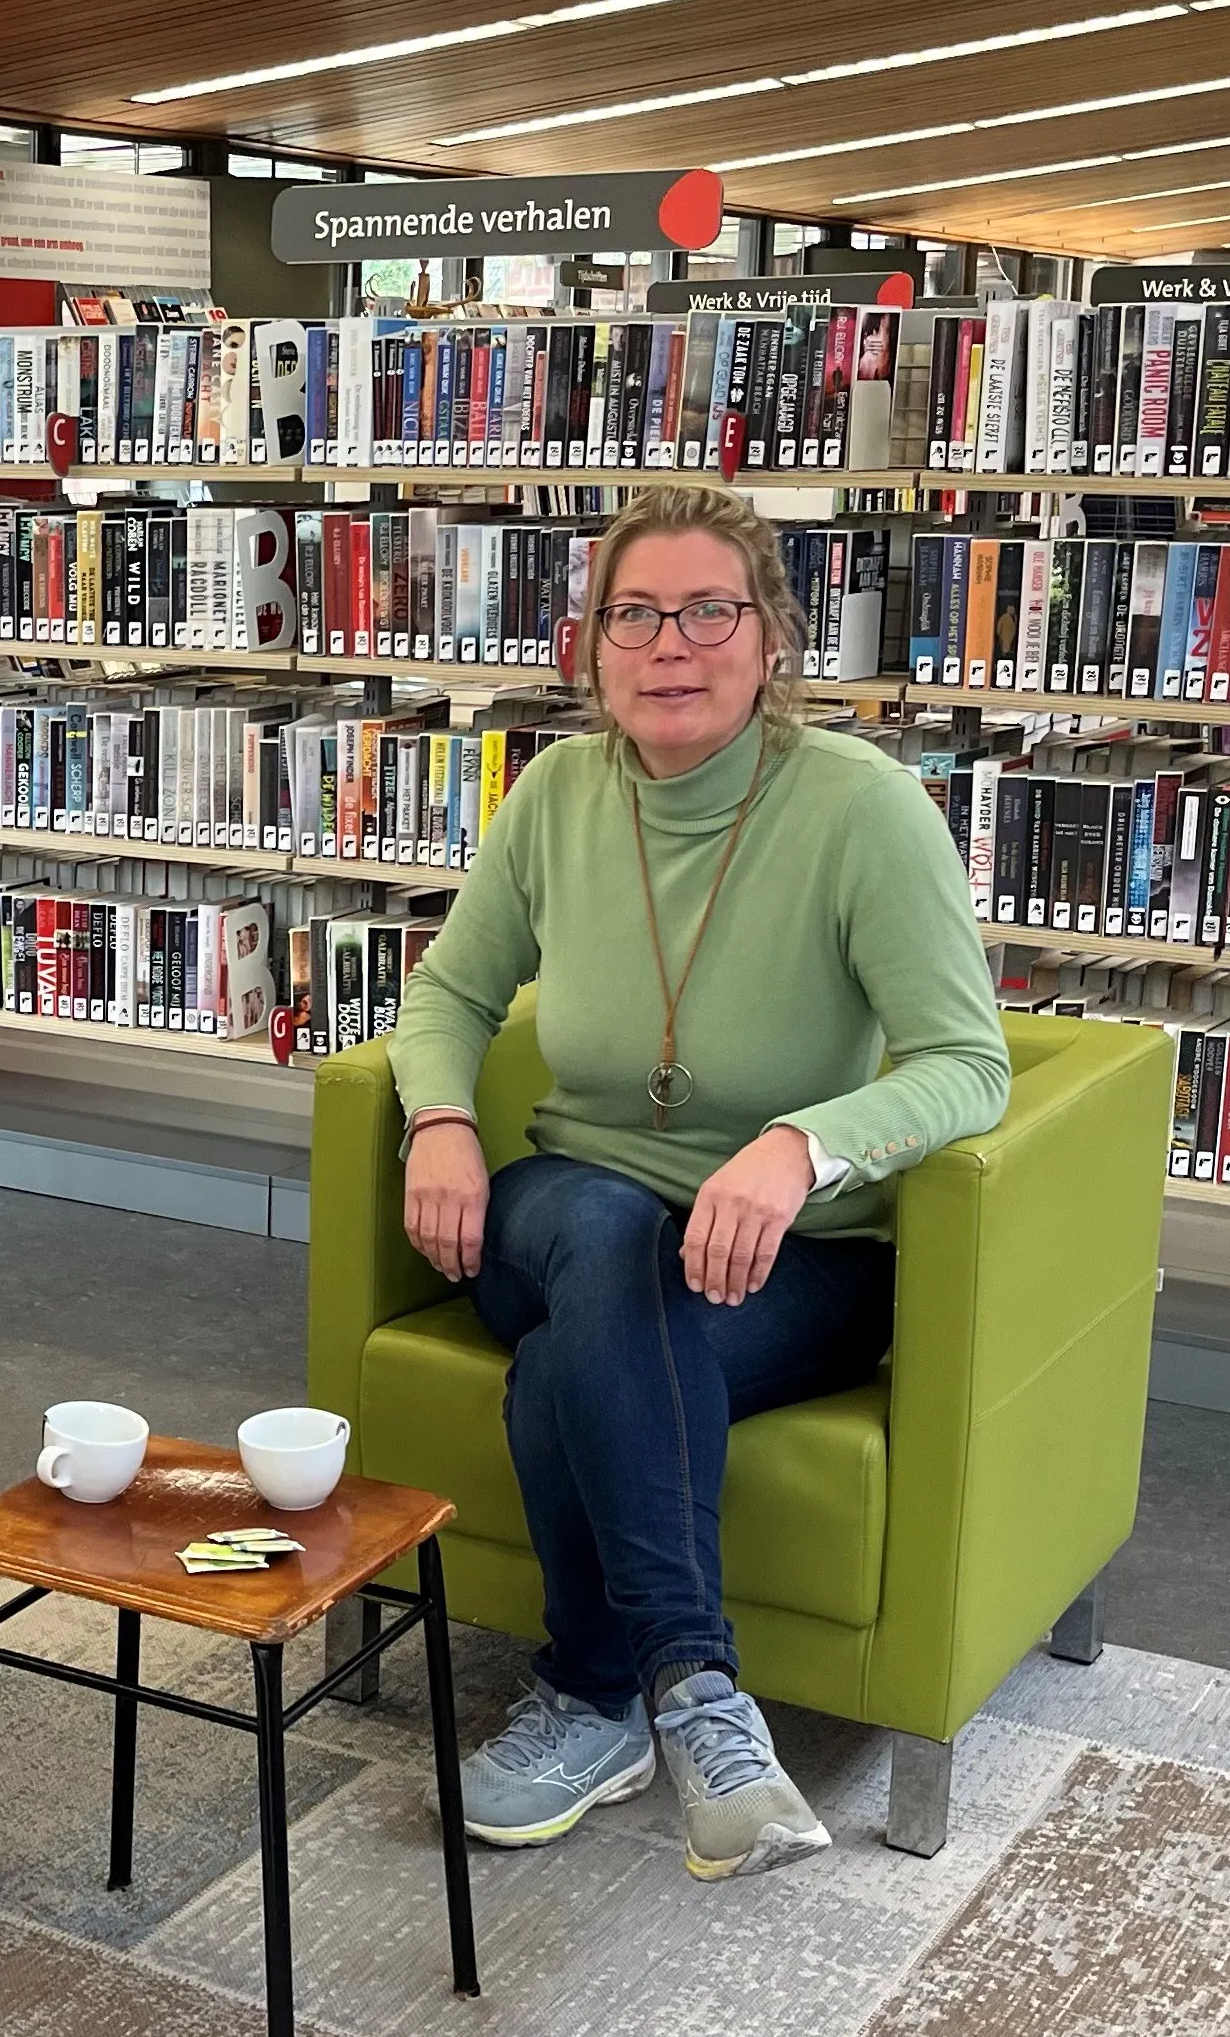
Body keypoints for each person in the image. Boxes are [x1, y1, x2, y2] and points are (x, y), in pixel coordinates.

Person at [384, 486, 1008, 1877]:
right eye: (637, 614)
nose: (673, 646)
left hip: (802, 1255)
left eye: (710, 611)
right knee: (607, 1231)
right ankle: (702, 1696)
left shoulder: (867, 811)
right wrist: (437, 1119)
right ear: (589, 646)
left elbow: (970, 1066)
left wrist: (800, 1146)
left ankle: (603, 1696)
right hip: (562, 1210)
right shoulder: (556, 795)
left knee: (568, 1373)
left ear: (772, 639)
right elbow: (449, 997)